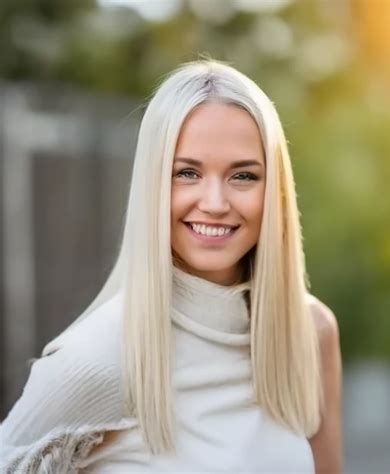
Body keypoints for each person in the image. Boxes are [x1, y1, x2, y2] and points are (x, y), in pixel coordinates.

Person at [0, 59, 343, 473]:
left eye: (243, 177)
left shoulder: (310, 331)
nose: (215, 203)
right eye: (187, 173)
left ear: (275, 190)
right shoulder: (93, 361)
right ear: (153, 181)